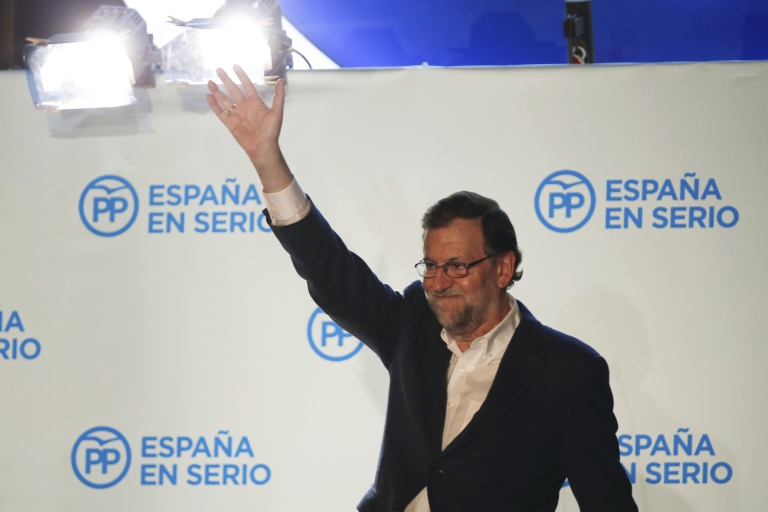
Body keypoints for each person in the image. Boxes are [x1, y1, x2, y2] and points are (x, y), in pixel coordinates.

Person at [206, 65, 638, 512]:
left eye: (456, 266)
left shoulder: (568, 372)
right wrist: (267, 160)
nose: (437, 282)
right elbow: (330, 271)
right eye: (430, 265)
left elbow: (607, 502)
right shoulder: (413, 320)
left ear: (503, 268)